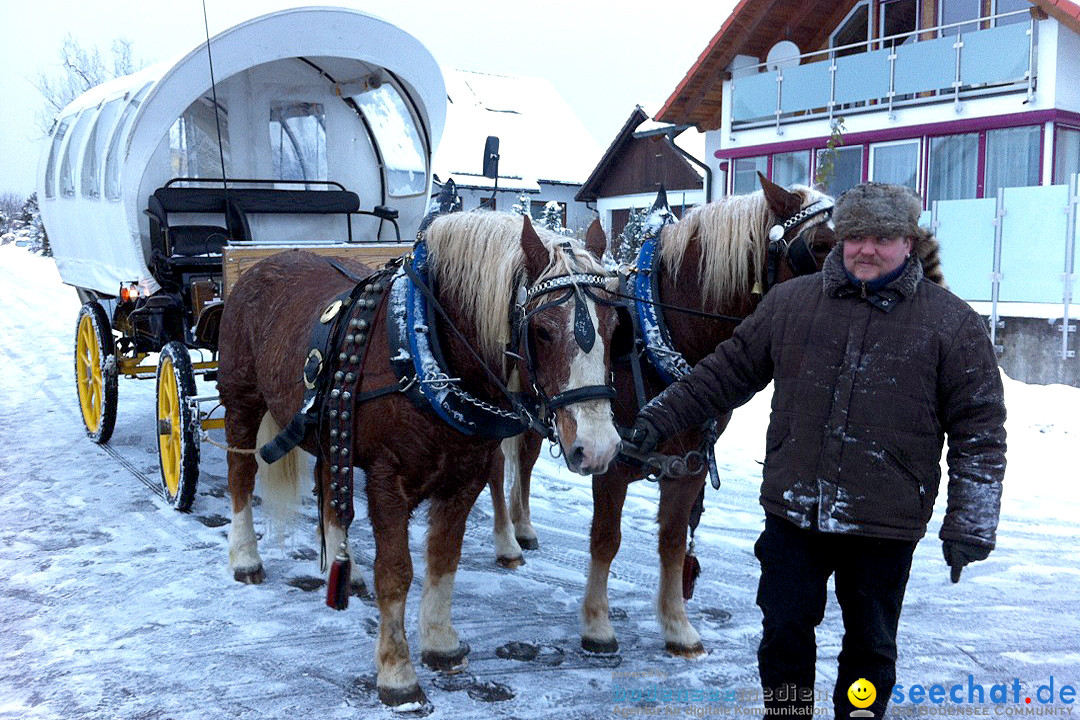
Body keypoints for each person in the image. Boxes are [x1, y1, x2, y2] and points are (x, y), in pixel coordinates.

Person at [630, 182, 1006, 720]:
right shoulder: (790, 304)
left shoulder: (951, 324)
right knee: (783, 632)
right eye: (854, 237)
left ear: (909, 241)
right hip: (794, 510)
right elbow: (725, 373)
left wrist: (970, 522)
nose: (866, 250)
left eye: (882, 237)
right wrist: (658, 419)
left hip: (884, 522)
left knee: (870, 647)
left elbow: (981, 433)